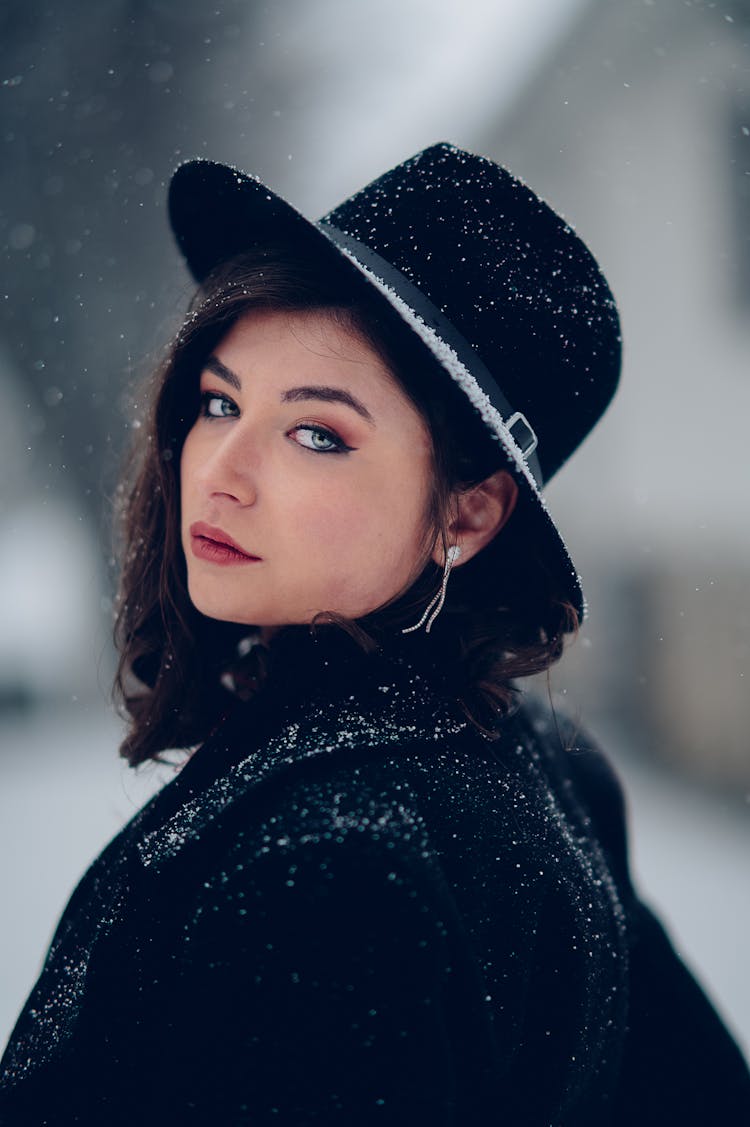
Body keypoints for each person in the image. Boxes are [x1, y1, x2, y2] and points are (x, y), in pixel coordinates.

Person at [0, 142, 748, 1125]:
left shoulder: (334, 884)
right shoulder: (537, 755)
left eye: (317, 434)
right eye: (220, 401)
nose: (218, 467)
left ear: (468, 516)